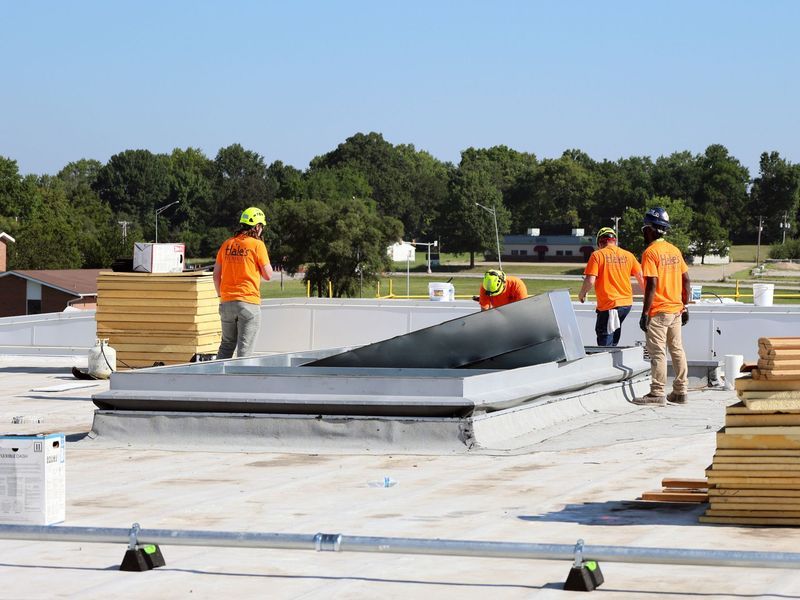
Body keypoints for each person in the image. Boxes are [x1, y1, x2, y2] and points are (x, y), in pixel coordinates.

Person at [633, 207, 691, 407]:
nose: (643, 233)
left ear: (650, 229)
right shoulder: (674, 250)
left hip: (658, 311)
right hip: (675, 309)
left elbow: (652, 285)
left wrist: (645, 313)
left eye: (644, 228)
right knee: (677, 349)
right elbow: (686, 280)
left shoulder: (650, 252)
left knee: (658, 352)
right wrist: (685, 305)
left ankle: (657, 392)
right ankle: (680, 391)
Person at [213, 206, 274, 359]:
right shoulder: (257, 245)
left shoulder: (227, 244)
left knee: (226, 346)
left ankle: (216, 381)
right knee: (244, 353)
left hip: (226, 302)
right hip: (248, 303)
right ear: (257, 226)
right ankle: (241, 382)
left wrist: (222, 295)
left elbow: (216, 275)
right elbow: (268, 275)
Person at [579, 227, 645, 346]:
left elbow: (590, 280)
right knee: (614, 330)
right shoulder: (628, 255)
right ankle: (613, 355)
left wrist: (582, 293)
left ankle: (606, 360)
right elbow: (641, 276)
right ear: (614, 241)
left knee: (604, 335)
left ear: (600, 242)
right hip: (626, 304)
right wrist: (650, 297)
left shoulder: (597, 255)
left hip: (610, 305)